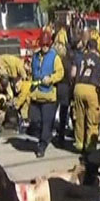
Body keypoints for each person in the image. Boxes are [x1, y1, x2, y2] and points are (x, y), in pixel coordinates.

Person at [30, 30, 64, 158]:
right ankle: (43, 137)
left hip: (49, 96)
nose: (44, 47)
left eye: (46, 45)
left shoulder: (55, 57)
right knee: (36, 121)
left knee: (46, 122)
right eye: (42, 45)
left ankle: (42, 145)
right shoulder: (35, 56)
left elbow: (60, 73)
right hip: (36, 94)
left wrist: (50, 78)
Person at [72, 38, 100, 153]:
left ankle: (79, 144)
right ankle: (90, 146)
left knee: (79, 117)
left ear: (87, 48)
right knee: (93, 119)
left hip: (78, 87)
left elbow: (72, 74)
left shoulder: (80, 58)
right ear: (96, 49)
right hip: (92, 89)